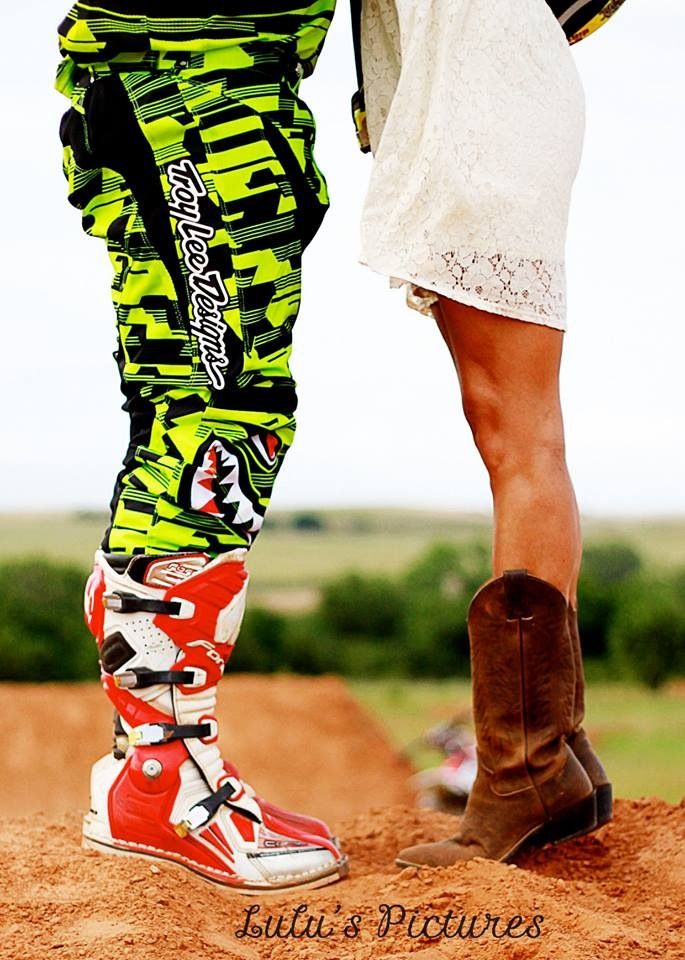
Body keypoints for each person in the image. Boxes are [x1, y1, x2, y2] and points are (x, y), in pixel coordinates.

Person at [56, 2, 347, 891]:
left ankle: (152, 764)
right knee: (220, 419)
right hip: (196, 90)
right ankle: (164, 771)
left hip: (204, 84)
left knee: (181, 402)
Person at [355, 0, 613, 866]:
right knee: (517, 429)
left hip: (483, 104)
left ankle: (524, 769)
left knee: (516, 435)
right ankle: (554, 753)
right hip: (489, 93)